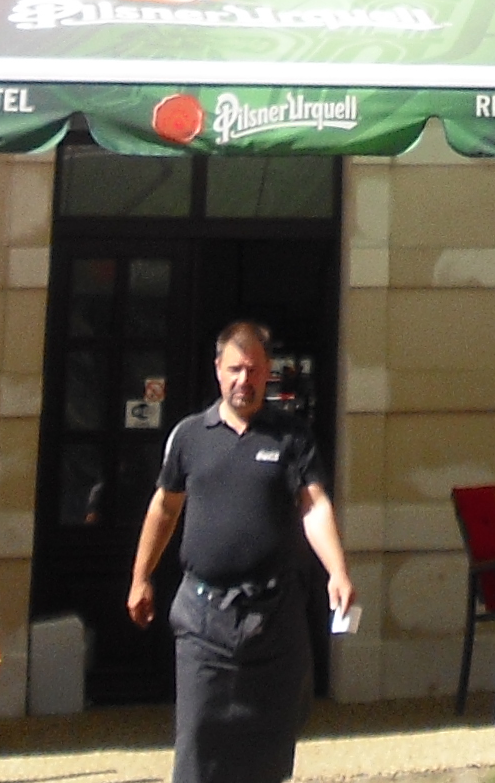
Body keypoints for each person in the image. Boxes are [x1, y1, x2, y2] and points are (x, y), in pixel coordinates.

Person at [128, 322, 356, 783]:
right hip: (203, 617)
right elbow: (164, 509)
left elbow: (313, 506)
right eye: (234, 369)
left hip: (274, 618)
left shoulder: (292, 438)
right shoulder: (190, 436)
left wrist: (337, 569)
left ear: (268, 371)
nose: (243, 380)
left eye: (253, 370)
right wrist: (140, 577)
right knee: (198, 746)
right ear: (218, 370)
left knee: (267, 752)